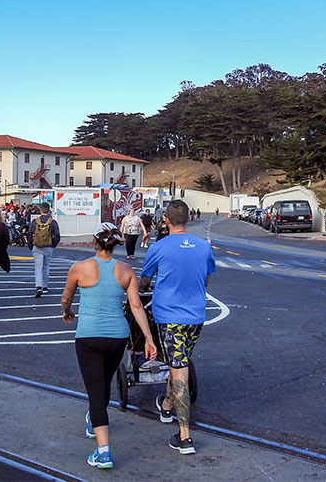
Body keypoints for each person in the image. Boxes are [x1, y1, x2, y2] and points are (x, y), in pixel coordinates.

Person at [61, 222, 157, 470]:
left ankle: (103, 450)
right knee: (103, 383)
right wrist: (148, 338)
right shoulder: (125, 270)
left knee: (95, 391)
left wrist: (67, 311)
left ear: (94, 242)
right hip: (117, 337)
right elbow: (136, 306)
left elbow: (66, 297)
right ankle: (94, 419)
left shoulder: (79, 268)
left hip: (89, 337)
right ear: (115, 245)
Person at [139, 200, 215, 455]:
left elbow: (144, 281)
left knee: (179, 369)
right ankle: (168, 404)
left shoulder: (159, 247)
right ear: (189, 220)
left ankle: (184, 436)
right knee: (178, 361)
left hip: (170, 315)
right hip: (195, 315)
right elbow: (206, 278)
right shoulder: (203, 246)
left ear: (166, 221)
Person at [28, 203, 60, 298]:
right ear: (49, 210)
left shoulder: (35, 221)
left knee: (38, 266)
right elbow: (57, 235)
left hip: (37, 246)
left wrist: (30, 245)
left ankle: (39, 286)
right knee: (46, 266)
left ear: (40, 210)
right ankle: (45, 286)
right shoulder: (52, 222)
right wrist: (53, 245)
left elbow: (30, 234)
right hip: (48, 246)